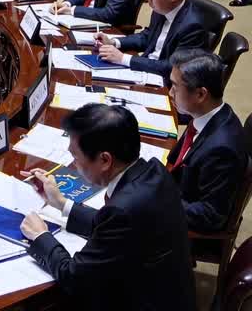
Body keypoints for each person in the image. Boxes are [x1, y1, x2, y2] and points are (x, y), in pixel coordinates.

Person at [19, 104, 195, 311]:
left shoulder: (123, 210)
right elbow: (110, 225)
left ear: (104, 160)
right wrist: (60, 202)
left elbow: (74, 277)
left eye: (76, 157)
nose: (73, 165)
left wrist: (41, 237)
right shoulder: (154, 171)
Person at [165, 48, 248, 233]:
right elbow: (177, 161)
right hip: (177, 188)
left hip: (180, 225)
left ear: (201, 94)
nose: (170, 93)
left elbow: (211, 215)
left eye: (175, 86)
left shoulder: (221, 149)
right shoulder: (204, 114)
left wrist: (159, 202)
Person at [95, 0, 208, 76]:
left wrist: (123, 58)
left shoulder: (193, 26)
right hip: (145, 70)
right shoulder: (161, 9)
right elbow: (147, 37)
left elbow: (173, 68)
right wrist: (114, 42)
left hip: (164, 84)